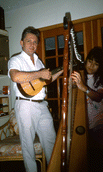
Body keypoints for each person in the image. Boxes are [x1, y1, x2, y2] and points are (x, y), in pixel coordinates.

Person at [8, 26, 63, 172]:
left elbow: (45, 80)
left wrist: (61, 71)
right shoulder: (15, 59)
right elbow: (15, 76)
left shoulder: (39, 62)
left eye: (35, 42)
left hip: (42, 105)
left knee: (51, 141)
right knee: (28, 146)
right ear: (21, 43)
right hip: (25, 105)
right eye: (29, 41)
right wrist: (39, 73)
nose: (32, 45)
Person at [70, 47, 103, 147]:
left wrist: (83, 87)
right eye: (90, 61)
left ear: (100, 66)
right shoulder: (80, 76)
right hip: (86, 121)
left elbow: (98, 97)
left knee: (101, 145)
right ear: (85, 61)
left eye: (96, 64)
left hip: (101, 120)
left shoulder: (101, 79)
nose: (92, 66)